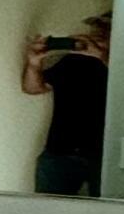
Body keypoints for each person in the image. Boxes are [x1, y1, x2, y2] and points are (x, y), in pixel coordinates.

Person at [23, 10, 111, 196]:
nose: (98, 34)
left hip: (107, 156)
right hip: (59, 151)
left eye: (106, 31)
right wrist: (34, 63)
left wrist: (104, 57)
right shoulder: (73, 61)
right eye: (97, 29)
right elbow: (33, 88)